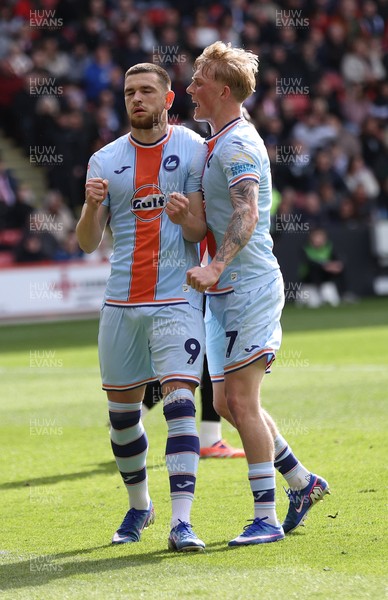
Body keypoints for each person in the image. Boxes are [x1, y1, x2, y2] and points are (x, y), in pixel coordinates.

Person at [186, 41, 330, 546]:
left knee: (242, 403)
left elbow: (248, 212)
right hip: (226, 290)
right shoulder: (217, 141)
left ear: (223, 91)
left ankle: (265, 518)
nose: (189, 89)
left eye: (199, 81)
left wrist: (219, 262)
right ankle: (303, 482)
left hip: (246, 285)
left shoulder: (238, 144)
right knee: (225, 403)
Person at [76, 63, 208, 552]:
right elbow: (88, 243)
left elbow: (198, 232)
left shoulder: (193, 148)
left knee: (179, 405)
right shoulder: (104, 160)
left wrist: (186, 216)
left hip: (176, 298)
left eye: (147, 91)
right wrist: (91, 208)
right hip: (121, 302)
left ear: (167, 99)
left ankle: (182, 522)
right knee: (122, 417)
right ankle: (139, 507)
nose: (137, 99)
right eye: (130, 92)